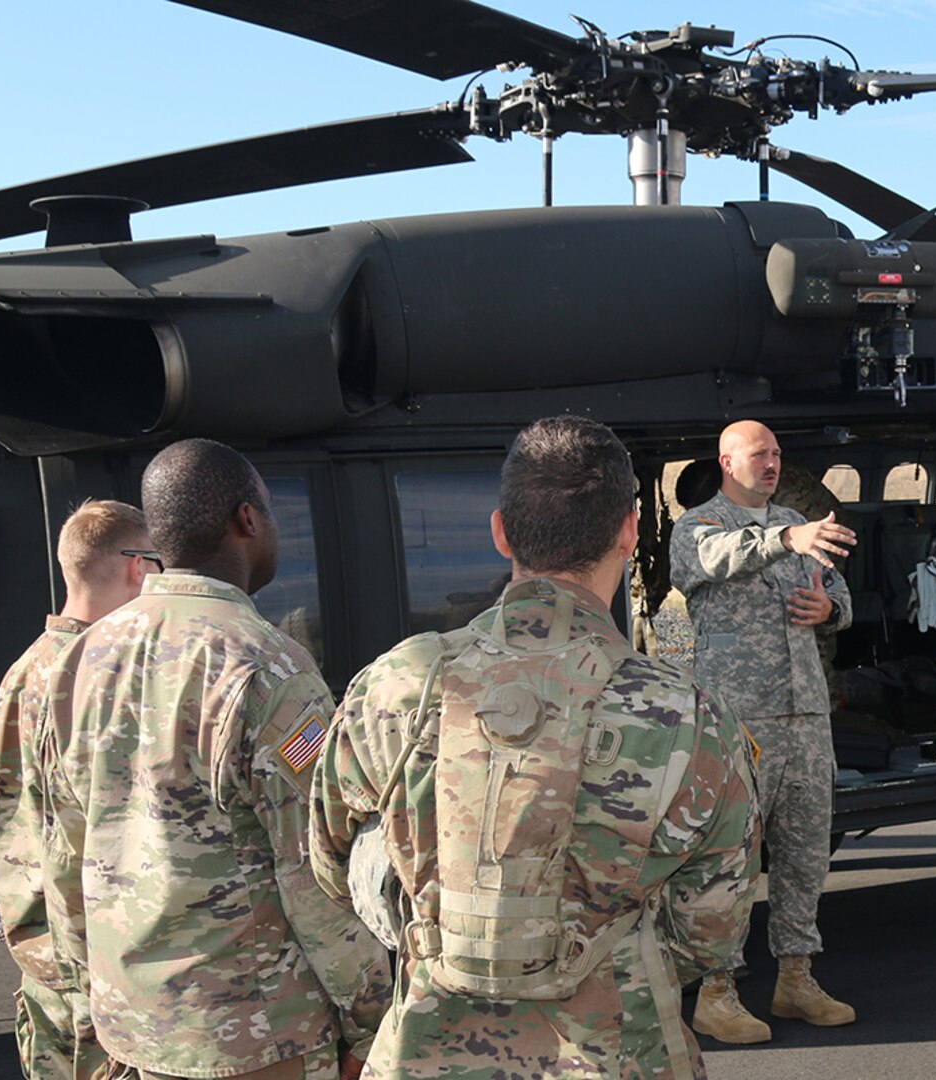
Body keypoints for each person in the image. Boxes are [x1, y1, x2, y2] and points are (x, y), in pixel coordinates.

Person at [310, 415, 759, 1078]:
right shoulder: (689, 717)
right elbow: (710, 928)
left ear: (500, 532)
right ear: (630, 533)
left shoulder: (394, 685)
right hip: (618, 1051)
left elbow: (330, 864)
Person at [39, 439, 392, 1080]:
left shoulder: (77, 660)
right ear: (247, 520)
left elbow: (63, 851)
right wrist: (371, 1018)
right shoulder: (268, 665)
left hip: (136, 1026)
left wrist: (89, 1006)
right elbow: (316, 873)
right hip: (257, 1036)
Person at [670, 420, 858, 1044]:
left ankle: (796, 978)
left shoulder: (801, 526)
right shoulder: (699, 527)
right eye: (759, 453)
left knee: (804, 853)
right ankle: (718, 992)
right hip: (738, 722)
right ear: (727, 461)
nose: (772, 462)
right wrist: (787, 537)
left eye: (777, 452)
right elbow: (718, 559)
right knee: (730, 857)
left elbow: (841, 593)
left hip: (805, 716)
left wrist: (831, 610)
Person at [0, 499, 155, 1079]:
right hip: (96, 969)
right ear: (139, 566)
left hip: (46, 964)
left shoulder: (25, 669)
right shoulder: (101, 677)